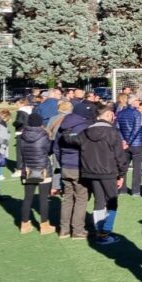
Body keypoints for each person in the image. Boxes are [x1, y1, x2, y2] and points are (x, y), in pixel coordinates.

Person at [62, 103, 127, 246]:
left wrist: (65, 131)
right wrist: (122, 175)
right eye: (112, 115)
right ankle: (105, 232)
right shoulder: (112, 132)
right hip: (108, 172)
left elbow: (70, 139)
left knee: (99, 201)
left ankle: (100, 232)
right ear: (109, 116)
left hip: (91, 172)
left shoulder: (85, 132)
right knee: (112, 202)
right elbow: (120, 156)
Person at [56, 102, 93, 239]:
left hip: (65, 166)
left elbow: (56, 148)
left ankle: (64, 229)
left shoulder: (63, 124)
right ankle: (77, 230)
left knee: (67, 198)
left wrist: (62, 162)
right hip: (79, 166)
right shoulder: (85, 127)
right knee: (81, 198)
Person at [18, 113, 54, 235]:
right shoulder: (44, 135)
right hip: (43, 168)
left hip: (28, 169)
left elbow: (21, 152)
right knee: (43, 198)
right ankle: (44, 225)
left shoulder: (22, 136)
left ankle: (24, 224)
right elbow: (49, 150)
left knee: (28, 198)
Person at [116, 98, 142, 196]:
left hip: (124, 144)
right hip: (136, 144)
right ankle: (136, 190)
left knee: (123, 166)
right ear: (133, 102)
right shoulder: (137, 114)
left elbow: (118, 128)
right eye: (138, 101)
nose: (139, 103)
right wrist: (128, 142)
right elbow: (136, 129)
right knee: (137, 167)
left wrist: (123, 140)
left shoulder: (120, 113)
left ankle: (122, 189)